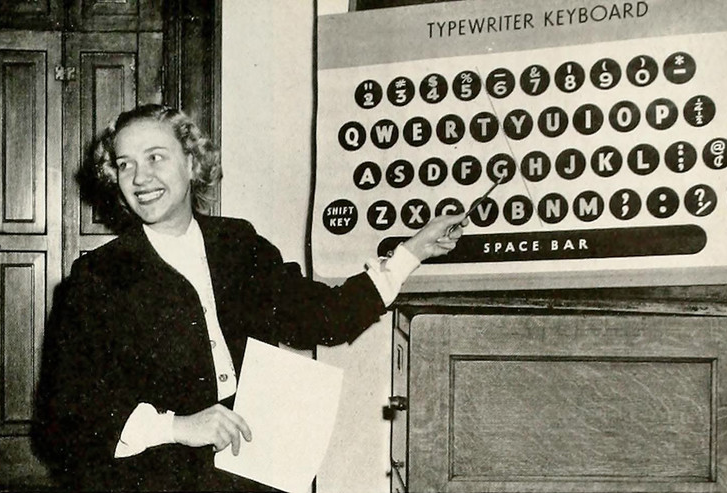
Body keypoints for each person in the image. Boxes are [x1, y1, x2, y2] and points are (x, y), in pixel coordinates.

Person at [38, 104, 465, 492]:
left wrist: (413, 252)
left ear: (191, 163)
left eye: (155, 157)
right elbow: (64, 416)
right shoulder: (96, 277)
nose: (139, 178)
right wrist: (178, 427)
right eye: (125, 164)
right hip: (157, 476)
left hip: (255, 464)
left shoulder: (238, 244)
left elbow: (325, 315)